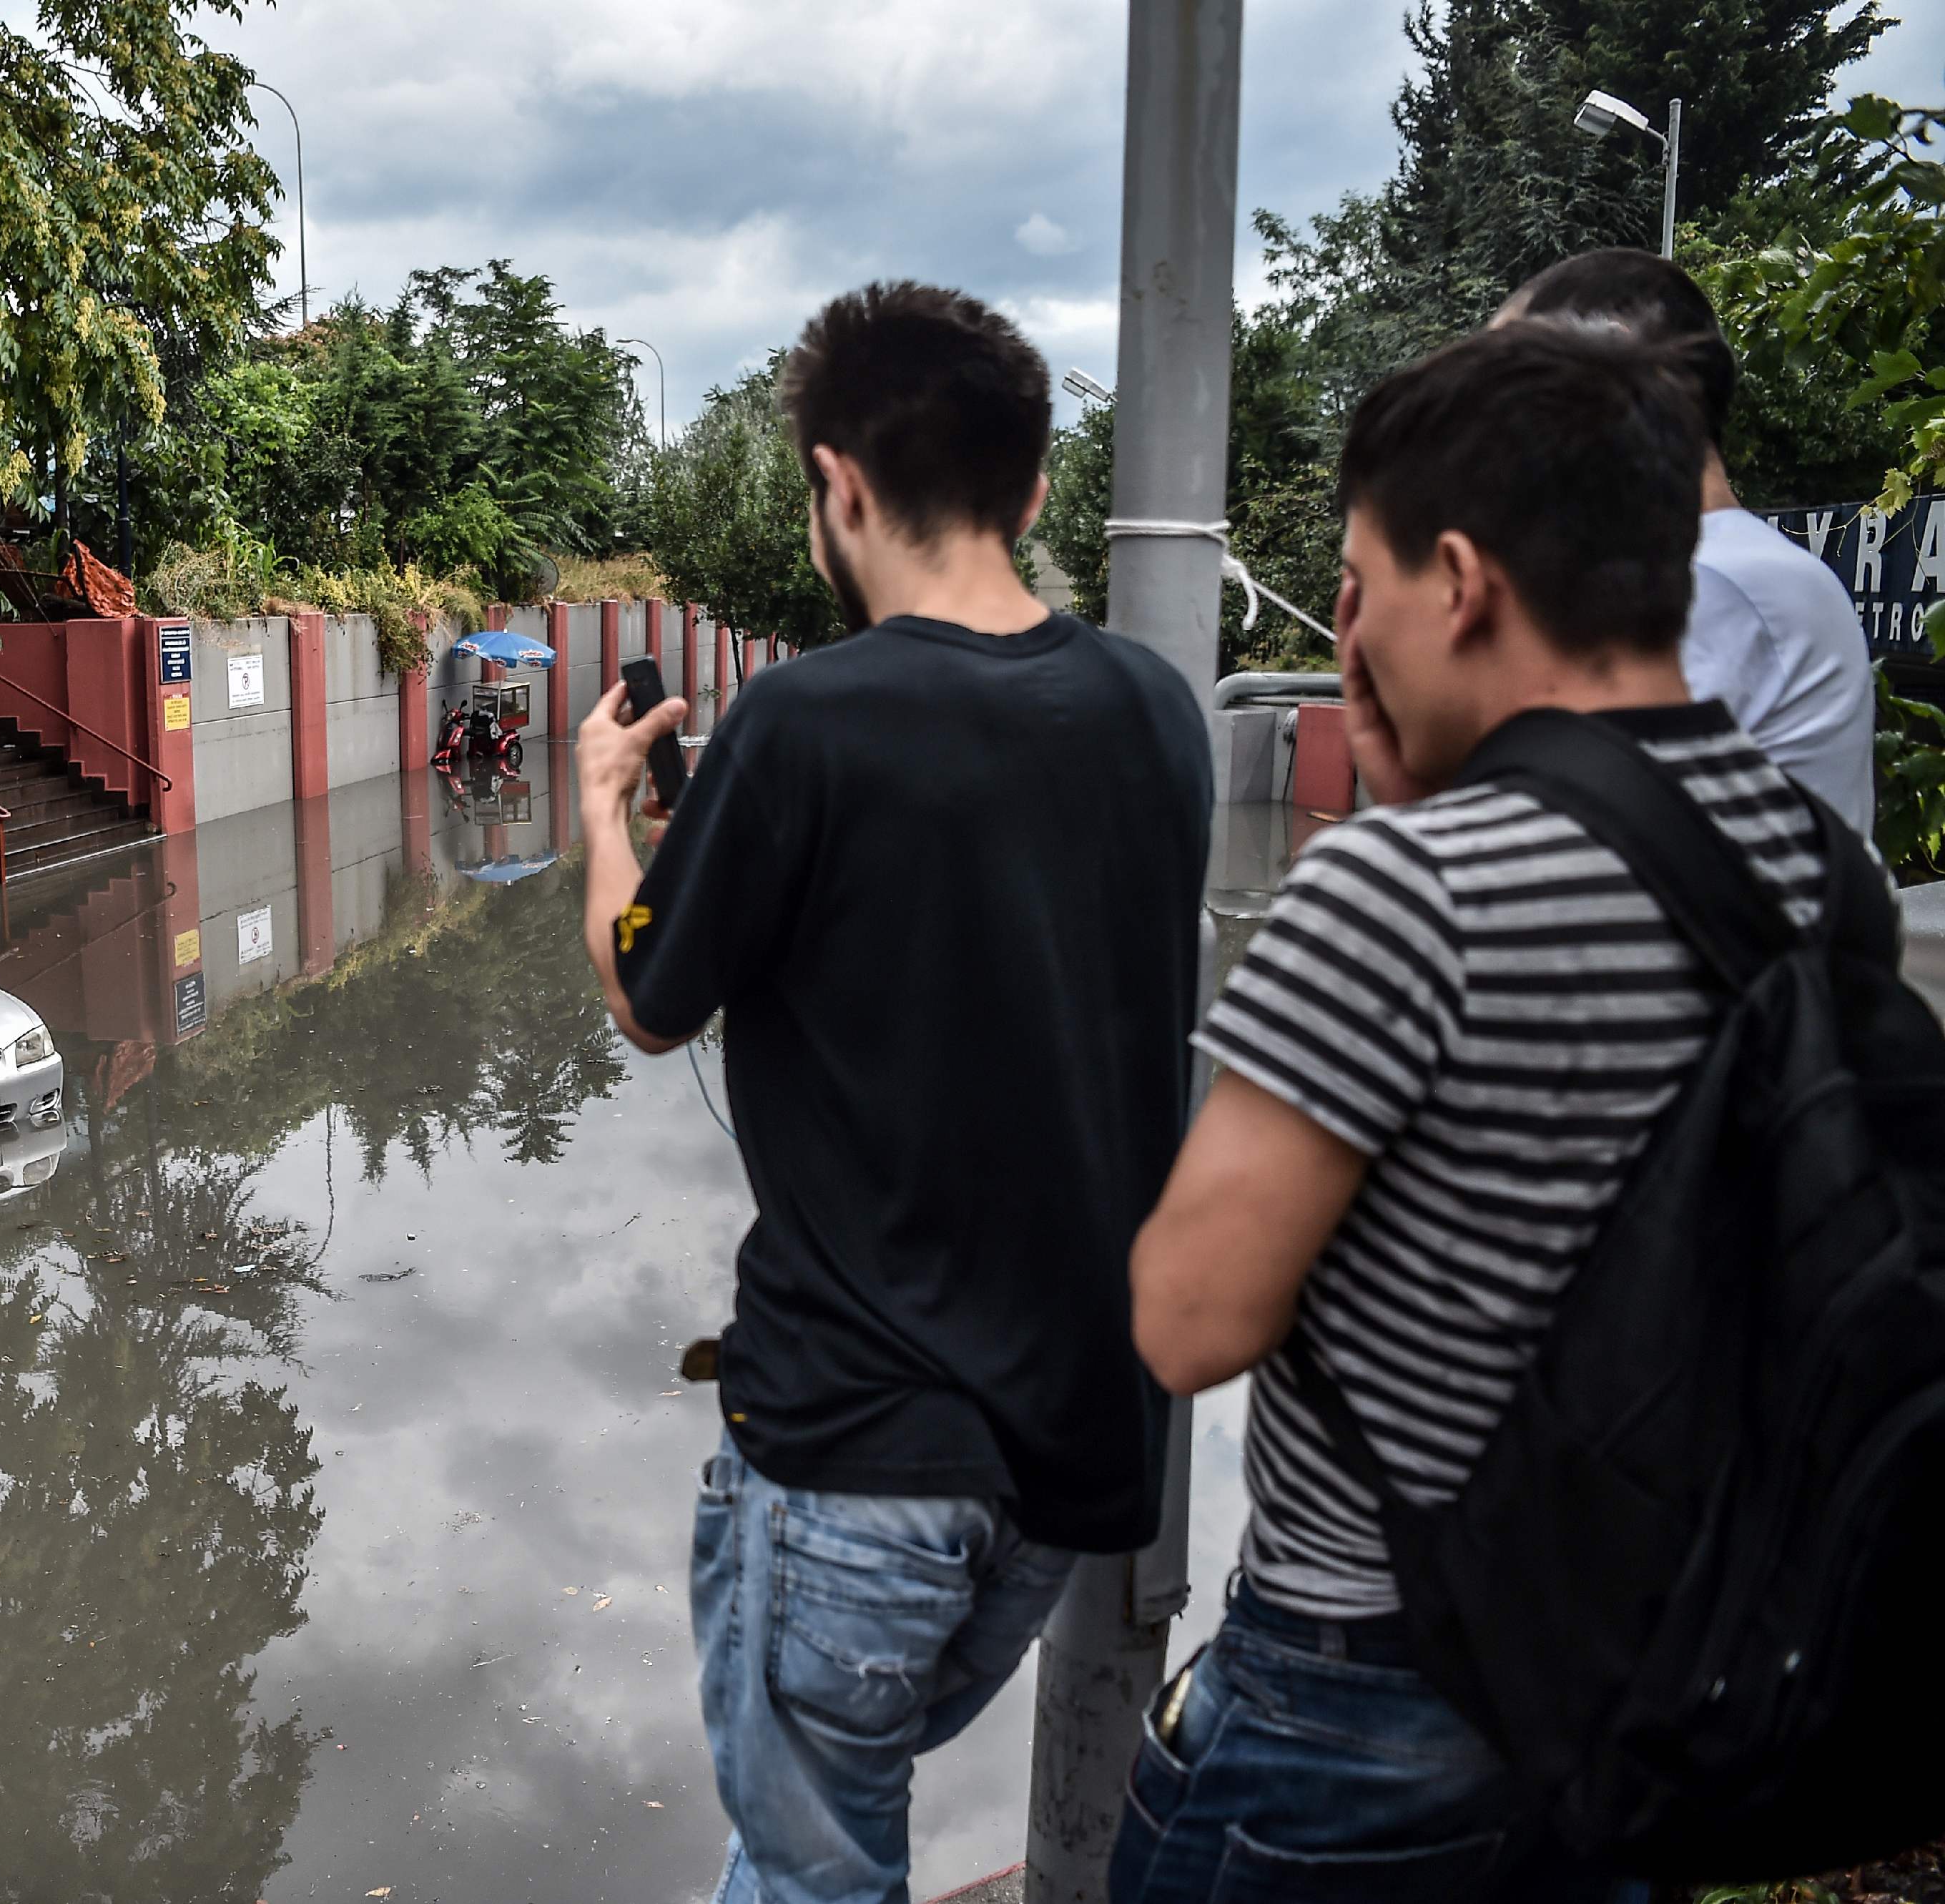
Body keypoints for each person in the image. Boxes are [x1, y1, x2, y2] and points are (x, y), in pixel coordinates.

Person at [1108, 322, 1828, 1903]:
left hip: (1365, 1693)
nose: (1345, 627)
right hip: (1645, 1677)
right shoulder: (1799, 856)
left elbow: (1184, 1317)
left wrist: (1398, 830)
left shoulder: (1399, 891)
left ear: (1460, 579)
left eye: (1358, 581)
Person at [572, 280, 1213, 1904]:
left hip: (856, 1449)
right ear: (1038, 488)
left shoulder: (802, 724)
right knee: (810, 1844)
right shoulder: (1153, 713)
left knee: (811, 1868)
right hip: (1070, 1457)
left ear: (836, 484)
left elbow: (650, 998)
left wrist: (604, 814)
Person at [1499, 247, 1873, 835]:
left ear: (1616, 370)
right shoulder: (1742, 568)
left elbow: (1550, 832)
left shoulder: (1710, 581)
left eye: (1512, 380)